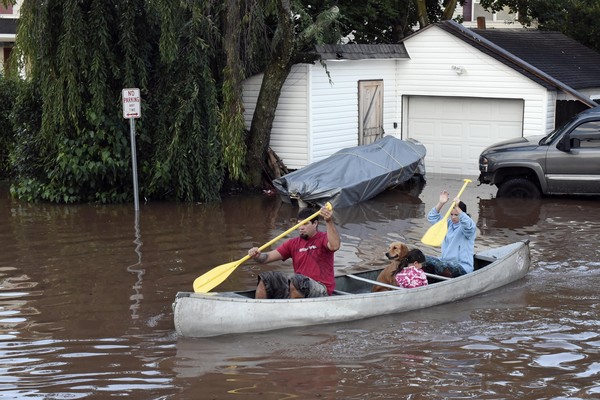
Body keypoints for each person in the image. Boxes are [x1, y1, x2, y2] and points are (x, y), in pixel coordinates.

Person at [248, 205, 341, 299]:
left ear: (315, 223)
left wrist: (329, 221)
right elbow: (266, 258)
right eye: (299, 224)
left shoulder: (324, 238)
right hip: (298, 284)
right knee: (266, 278)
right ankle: (259, 310)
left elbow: (334, 246)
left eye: (305, 224)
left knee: (297, 280)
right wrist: (257, 256)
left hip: (321, 288)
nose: (301, 227)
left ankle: (294, 310)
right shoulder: (293, 243)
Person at [425, 190, 477, 277]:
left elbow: (468, 226)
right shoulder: (447, 224)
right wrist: (441, 203)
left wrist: (457, 207)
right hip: (444, 263)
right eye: (451, 214)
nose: (453, 217)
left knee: (441, 266)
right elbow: (431, 217)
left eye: (456, 215)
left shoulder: (468, 227)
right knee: (422, 259)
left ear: (462, 214)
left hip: (462, 267)